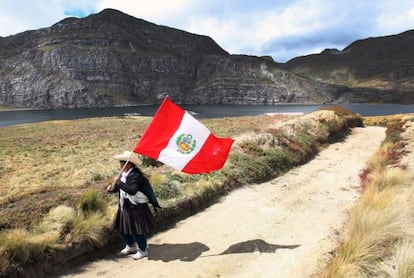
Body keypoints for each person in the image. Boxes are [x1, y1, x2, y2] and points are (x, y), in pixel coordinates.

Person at [107, 151, 156, 260]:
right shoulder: (124, 175)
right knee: (122, 227)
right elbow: (121, 188)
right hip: (124, 205)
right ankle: (131, 246)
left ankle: (143, 250)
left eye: (122, 163)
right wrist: (112, 189)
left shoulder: (136, 176)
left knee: (137, 230)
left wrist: (119, 183)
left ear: (128, 164)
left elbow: (132, 191)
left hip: (135, 207)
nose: (120, 165)